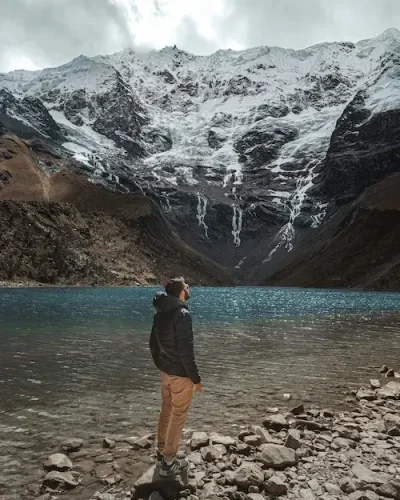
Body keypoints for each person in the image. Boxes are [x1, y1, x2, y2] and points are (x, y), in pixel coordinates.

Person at [150, 277, 203, 476]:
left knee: (166, 411)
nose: (189, 288)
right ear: (181, 292)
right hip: (180, 374)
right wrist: (196, 379)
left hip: (166, 372)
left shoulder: (160, 312)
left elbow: (153, 345)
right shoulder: (182, 314)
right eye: (187, 286)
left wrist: (162, 366)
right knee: (178, 415)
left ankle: (161, 450)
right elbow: (186, 352)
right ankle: (169, 462)